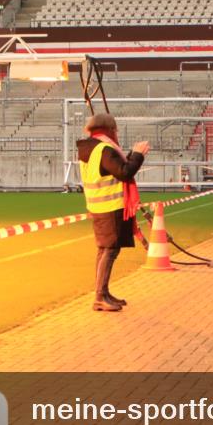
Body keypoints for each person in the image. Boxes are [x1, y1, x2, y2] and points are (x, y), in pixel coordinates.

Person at [77, 113, 149, 312]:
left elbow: (114, 169)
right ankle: (100, 296)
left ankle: (104, 292)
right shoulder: (103, 149)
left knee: (104, 250)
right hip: (110, 207)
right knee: (110, 251)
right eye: (115, 130)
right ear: (109, 130)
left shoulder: (90, 149)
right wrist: (137, 154)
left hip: (98, 206)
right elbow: (124, 172)